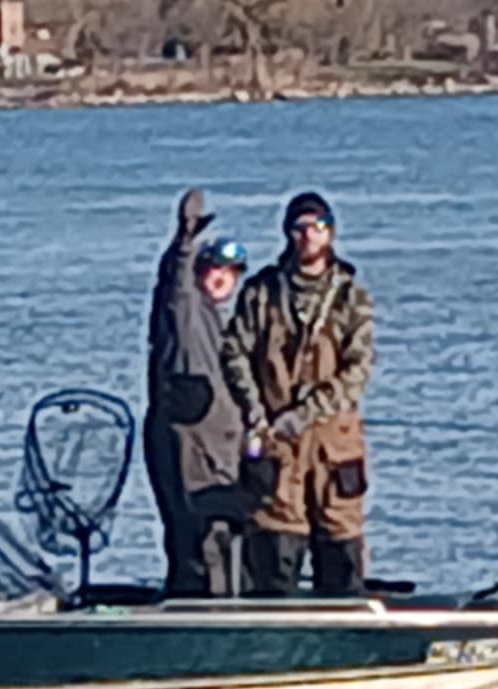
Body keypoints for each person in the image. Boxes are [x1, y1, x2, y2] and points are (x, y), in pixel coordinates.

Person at [221, 190, 375, 597]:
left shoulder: (350, 297)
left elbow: (358, 371)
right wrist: (254, 409)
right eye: (299, 228)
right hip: (276, 445)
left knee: (341, 550)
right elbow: (234, 351)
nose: (308, 236)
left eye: (317, 227)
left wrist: (308, 412)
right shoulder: (261, 293)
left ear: (331, 233)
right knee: (274, 550)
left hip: (334, 446)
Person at [145, 188, 250, 595]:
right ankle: (200, 605)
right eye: (215, 268)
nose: (222, 277)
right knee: (196, 534)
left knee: (223, 532)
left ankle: (221, 598)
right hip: (189, 441)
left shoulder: (220, 322)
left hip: (220, 449)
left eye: (232, 271)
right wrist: (185, 241)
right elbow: (175, 282)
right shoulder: (184, 307)